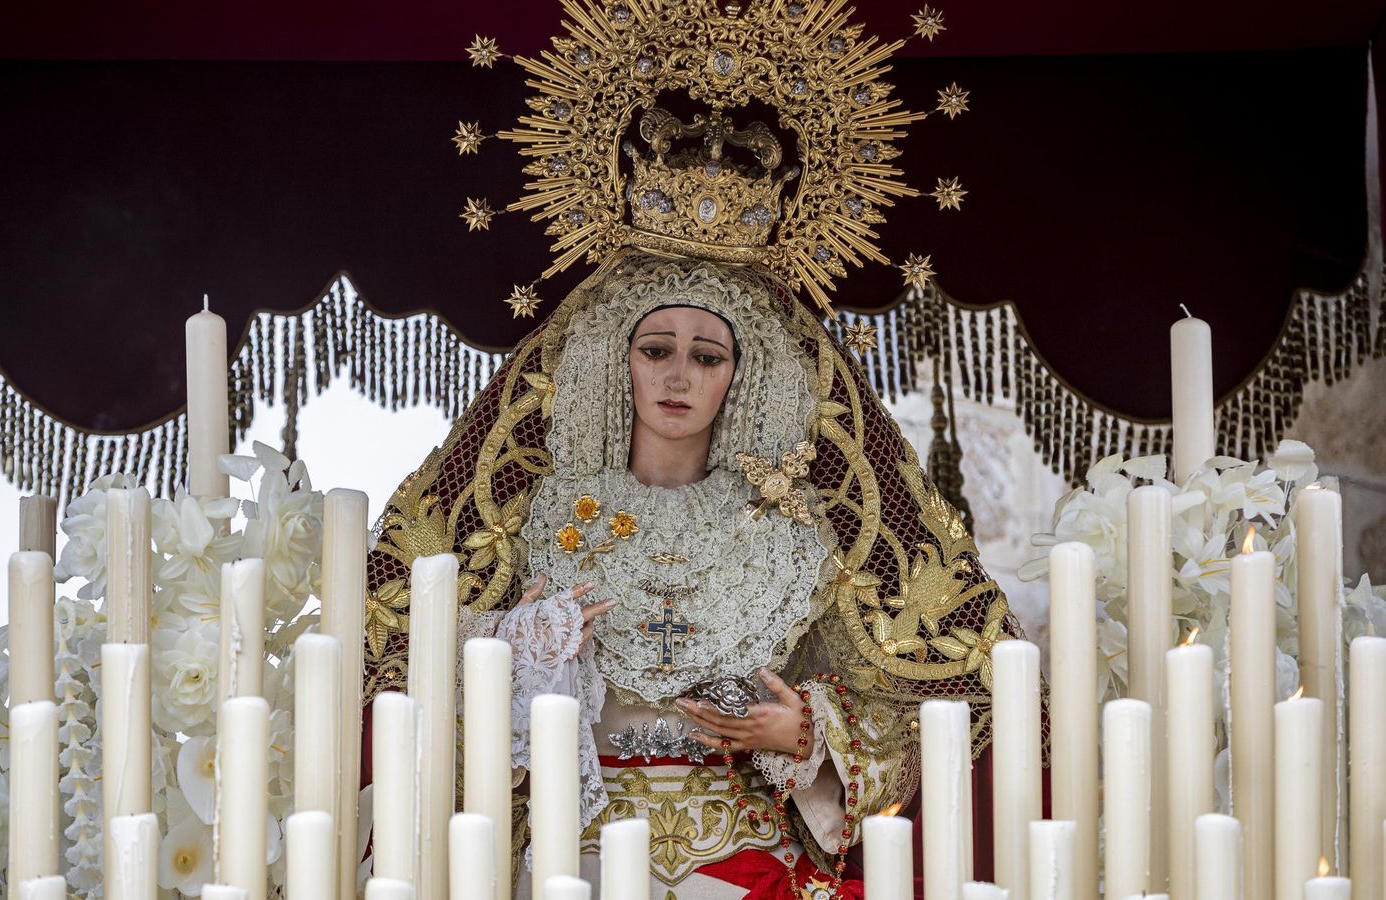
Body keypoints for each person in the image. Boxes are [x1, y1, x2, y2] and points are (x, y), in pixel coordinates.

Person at [362, 251, 1018, 898]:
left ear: (740, 374)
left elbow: (909, 704)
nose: (679, 376)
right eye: (656, 351)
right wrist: (516, 653)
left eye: (707, 357)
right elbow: (412, 679)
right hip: (575, 860)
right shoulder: (540, 523)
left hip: (745, 866)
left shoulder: (792, 539)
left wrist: (810, 733)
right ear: (620, 361)